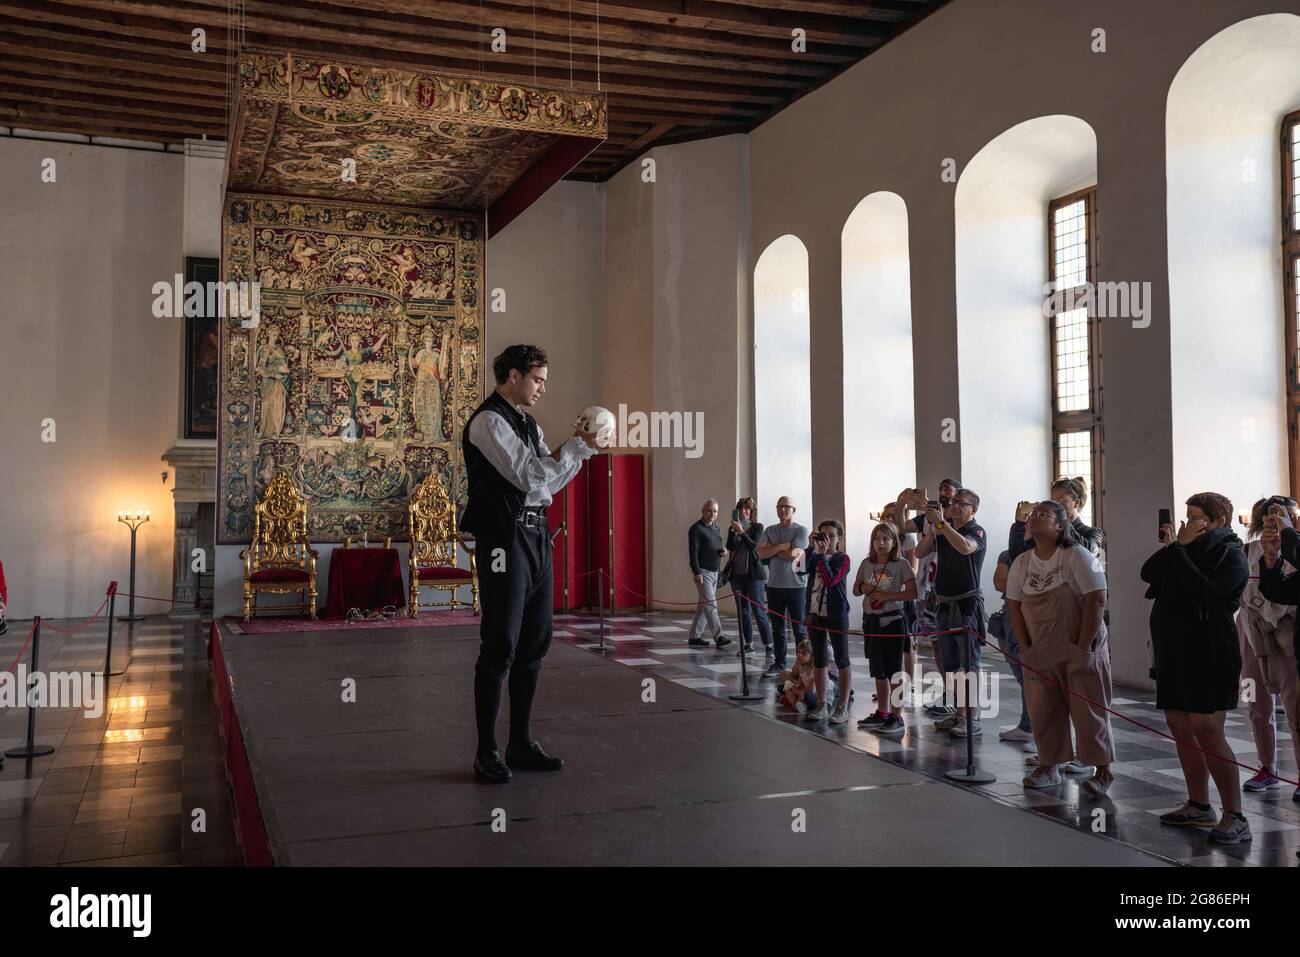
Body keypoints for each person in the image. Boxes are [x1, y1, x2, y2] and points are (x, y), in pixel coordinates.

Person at [461, 344, 600, 784]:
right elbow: (527, 475)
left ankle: (519, 742)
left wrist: (578, 452)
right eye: (538, 379)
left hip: (537, 533)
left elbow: (548, 485)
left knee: (536, 639)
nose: (542, 387)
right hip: (504, 538)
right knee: (501, 641)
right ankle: (487, 750)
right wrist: (573, 447)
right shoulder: (488, 421)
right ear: (514, 375)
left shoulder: (528, 423)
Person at [1141, 492, 1251, 843]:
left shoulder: (1232, 555)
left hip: (1211, 651)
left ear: (1218, 521)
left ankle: (1235, 815)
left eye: (1195, 517)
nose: (1187, 524)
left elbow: (1206, 590)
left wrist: (1178, 549)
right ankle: (1199, 805)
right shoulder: (1183, 548)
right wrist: (1177, 546)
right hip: (1173, 649)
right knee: (1179, 725)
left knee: (1208, 730)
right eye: (1185, 517)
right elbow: (1148, 573)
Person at [1006, 501, 1114, 797]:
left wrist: (1082, 646)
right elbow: (1014, 607)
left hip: (1079, 645)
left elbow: (1097, 600)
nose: (1034, 519)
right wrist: (1025, 647)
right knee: (1044, 710)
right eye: (1033, 515)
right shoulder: (1022, 563)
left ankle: (1103, 770)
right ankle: (1049, 766)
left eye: (1043, 515)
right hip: (1040, 648)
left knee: (1088, 710)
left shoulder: (1077, 555)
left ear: (1060, 525)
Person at [915, 487, 988, 735]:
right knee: (950, 664)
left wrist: (944, 526)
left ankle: (973, 718)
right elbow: (919, 552)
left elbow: (966, 547)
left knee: (969, 664)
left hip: (965, 606)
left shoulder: (975, 531)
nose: (955, 506)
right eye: (954, 502)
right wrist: (935, 527)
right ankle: (959, 713)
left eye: (962, 503)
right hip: (943, 605)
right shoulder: (944, 529)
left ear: (973, 509)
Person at [1253, 497, 1300, 803]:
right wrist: (1270, 560)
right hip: (1256, 637)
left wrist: (1289, 536)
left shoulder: (1295, 543)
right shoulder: (1251, 550)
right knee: (1256, 700)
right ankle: (1266, 766)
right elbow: (1279, 589)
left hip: (1287, 638)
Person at [854, 522, 917, 736]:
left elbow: (912, 592)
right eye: (877, 539)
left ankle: (896, 715)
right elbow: (855, 589)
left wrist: (886, 596)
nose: (881, 543)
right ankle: (882, 712)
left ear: (894, 542)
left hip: (892, 621)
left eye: (886, 539)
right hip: (871, 620)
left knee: (893, 670)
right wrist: (864, 587)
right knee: (878, 670)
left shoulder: (901, 564)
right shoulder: (866, 563)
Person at [804, 519, 853, 724]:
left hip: (836, 613)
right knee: (819, 659)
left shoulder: (843, 559)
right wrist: (809, 548)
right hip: (815, 613)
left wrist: (822, 556)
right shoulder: (815, 556)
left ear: (839, 538)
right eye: (823, 535)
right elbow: (800, 569)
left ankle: (841, 706)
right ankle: (822, 704)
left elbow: (832, 580)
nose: (827, 539)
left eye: (831, 536)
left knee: (841, 659)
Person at [759, 496, 810, 678]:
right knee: (777, 627)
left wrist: (773, 550)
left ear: (793, 509)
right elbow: (760, 553)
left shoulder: (801, 530)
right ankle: (779, 663)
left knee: (799, 628)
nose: (783, 510)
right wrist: (782, 546)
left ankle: (803, 665)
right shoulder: (770, 529)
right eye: (780, 506)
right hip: (774, 585)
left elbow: (795, 554)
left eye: (786, 506)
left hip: (797, 587)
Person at [990, 549, 1034, 750]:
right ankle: (1028, 726)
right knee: (1023, 677)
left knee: (1034, 677)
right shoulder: (1008, 554)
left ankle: (1039, 732)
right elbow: (999, 582)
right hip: (1011, 616)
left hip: (1035, 617)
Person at [1008, 476, 1104, 561]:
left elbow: (1092, 554)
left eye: (1060, 500)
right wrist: (1019, 524)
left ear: (1077, 502)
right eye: (1053, 501)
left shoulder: (1094, 532)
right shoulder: (1047, 532)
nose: (1056, 506)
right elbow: (1017, 557)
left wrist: (1062, 522)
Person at [726, 497, 773, 657]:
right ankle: (748, 645)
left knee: (758, 611)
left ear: (752, 512)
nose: (744, 512)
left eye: (747, 509)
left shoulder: (757, 527)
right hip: (737, 576)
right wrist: (734, 530)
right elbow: (729, 547)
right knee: (743, 612)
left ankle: (769, 645)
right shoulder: (733, 528)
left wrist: (741, 531)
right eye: (741, 509)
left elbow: (753, 546)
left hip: (754, 576)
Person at [687, 499, 731, 649]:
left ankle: (694, 637)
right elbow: (693, 552)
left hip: (714, 572)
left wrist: (723, 552)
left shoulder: (715, 527)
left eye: (715, 511)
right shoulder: (696, 529)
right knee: (711, 605)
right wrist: (696, 571)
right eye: (709, 510)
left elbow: (716, 546)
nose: (712, 514)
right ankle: (719, 637)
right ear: (703, 510)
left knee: (703, 606)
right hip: (703, 572)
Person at [779, 640, 819, 712]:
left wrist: (798, 691)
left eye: (804, 653)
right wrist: (795, 687)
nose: (799, 655)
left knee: (804, 694)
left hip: (814, 695)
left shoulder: (814, 669)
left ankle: (796, 703)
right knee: (787, 684)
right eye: (798, 652)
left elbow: (813, 690)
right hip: (804, 691)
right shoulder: (802, 667)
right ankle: (796, 704)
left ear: (812, 656)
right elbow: (800, 682)